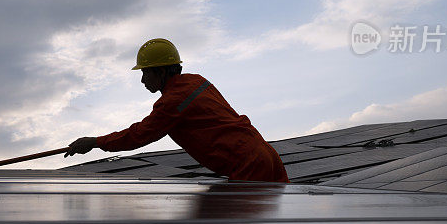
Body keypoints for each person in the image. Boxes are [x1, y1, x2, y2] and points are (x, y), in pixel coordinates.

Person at [65, 38, 289, 183]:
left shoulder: (173, 102)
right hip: (267, 155)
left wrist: (95, 142)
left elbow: (139, 135)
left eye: (146, 73)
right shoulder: (197, 81)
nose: (142, 80)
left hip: (247, 165)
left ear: (162, 72)